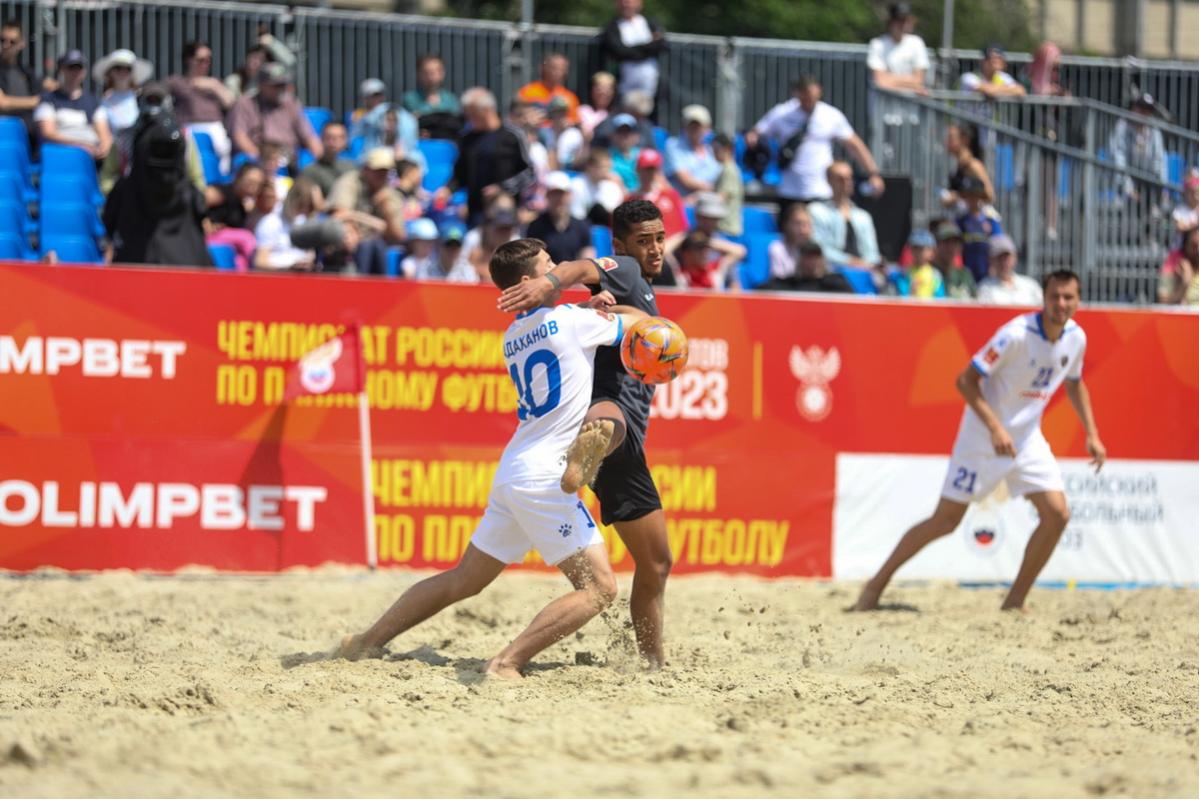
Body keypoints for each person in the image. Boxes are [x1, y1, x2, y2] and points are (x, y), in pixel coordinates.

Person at [334, 238, 645, 678]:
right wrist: (609, 308)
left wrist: (588, 308)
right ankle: (505, 663)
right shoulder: (573, 321)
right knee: (600, 588)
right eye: (549, 264)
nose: (558, 267)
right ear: (529, 281)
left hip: (515, 468)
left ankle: (366, 641)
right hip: (547, 475)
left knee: (464, 579)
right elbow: (641, 323)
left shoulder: (514, 335)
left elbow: (562, 325)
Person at [854, 269, 1106, 612]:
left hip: (1026, 440)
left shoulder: (1076, 338)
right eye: (1054, 296)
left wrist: (1092, 434)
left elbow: (1074, 384)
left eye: (1068, 297)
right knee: (945, 521)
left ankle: (1014, 602)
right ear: (1043, 299)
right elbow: (965, 381)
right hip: (982, 439)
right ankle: (874, 587)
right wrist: (995, 428)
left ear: (1078, 301)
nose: (1060, 303)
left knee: (1057, 514)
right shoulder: (1015, 335)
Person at [497, 200, 677, 667]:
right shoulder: (629, 271)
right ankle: (652, 663)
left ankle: (593, 447)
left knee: (656, 562)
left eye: (660, 238)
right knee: (610, 414)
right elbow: (581, 267)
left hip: (615, 438)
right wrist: (551, 282)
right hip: (611, 416)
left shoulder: (628, 289)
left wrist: (579, 301)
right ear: (620, 245)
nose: (655, 248)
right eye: (643, 240)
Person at [746, 75, 884, 210]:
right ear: (797, 94)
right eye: (805, 98)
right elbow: (756, 133)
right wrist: (754, 142)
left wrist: (873, 174)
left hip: (821, 190)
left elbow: (854, 145)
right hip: (789, 189)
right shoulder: (782, 112)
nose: (809, 102)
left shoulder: (830, 115)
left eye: (812, 98)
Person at [103, 104, 210, 267]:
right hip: (178, 271)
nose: (162, 149)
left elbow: (108, 223)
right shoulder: (190, 194)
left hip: (142, 271)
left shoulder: (124, 190)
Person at [439, 87, 534, 228]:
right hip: (476, 212)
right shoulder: (467, 139)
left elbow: (528, 173)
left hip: (506, 211)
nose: (469, 119)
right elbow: (460, 174)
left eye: (472, 114)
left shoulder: (512, 135)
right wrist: (448, 189)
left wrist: (502, 188)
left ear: (487, 110)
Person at [327, 147, 407, 275]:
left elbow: (399, 236)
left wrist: (388, 212)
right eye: (377, 170)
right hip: (350, 244)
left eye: (385, 171)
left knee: (373, 246)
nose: (381, 175)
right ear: (366, 168)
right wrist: (376, 224)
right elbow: (339, 215)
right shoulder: (350, 182)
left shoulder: (391, 196)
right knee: (355, 240)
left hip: (378, 247)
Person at [227, 63, 321, 164]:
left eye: (283, 85)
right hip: (257, 159)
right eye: (276, 86)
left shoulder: (291, 104)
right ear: (261, 85)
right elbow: (239, 138)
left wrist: (320, 161)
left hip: (289, 159)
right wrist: (265, 160)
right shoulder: (244, 104)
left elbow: (309, 137)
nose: (281, 89)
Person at [168, 41, 235, 172]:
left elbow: (231, 103)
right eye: (201, 60)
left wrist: (215, 87)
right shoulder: (177, 82)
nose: (205, 64)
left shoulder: (214, 82)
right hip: (189, 126)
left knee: (224, 149)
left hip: (215, 126)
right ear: (189, 60)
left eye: (208, 60)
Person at [35, 50, 112, 160]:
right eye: (71, 67)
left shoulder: (93, 101)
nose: (75, 72)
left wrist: (104, 147)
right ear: (61, 70)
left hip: (91, 158)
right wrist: (82, 146)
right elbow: (48, 133)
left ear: (84, 71)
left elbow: (104, 134)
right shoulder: (48, 99)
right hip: (61, 156)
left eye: (79, 67)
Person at [808, 161, 881, 270]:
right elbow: (819, 247)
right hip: (832, 270)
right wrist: (849, 261)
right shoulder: (816, 211)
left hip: (864, 271)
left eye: (849, 178)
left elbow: (872, 252)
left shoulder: (863, 216)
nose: (846, 182)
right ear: (829, 180)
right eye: (840, 179)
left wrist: (868, 264)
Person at [601, 0, 667, 102]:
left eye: (629, 2)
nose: (625, 5)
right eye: (622, 2)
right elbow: (619, 51)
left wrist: (632, 49)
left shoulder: (650, 23)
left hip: (651, 81)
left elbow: (661, 44)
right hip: (625, 83)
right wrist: (648, 47)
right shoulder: (612, 26)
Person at [204, 161, 263, 272]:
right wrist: (204, 221)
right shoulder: (221, 193)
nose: (253, 188)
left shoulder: (244, 206)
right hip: (210, 237)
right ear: (239, 178)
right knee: (247, 238)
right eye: (250, 182)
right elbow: (194, 203)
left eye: (257, 185)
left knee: (241, 260)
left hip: (229, 245)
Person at [526, 171, 594, 264]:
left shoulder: (582, 225)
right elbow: (535, 261)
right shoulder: (535, 227)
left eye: (562, 194)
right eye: (554, 194)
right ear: (547, 195)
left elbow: (587, 258)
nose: (559, 199)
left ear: (570, 195)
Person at [253, 177, 319, 271]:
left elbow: (310, 254)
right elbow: (260, 262)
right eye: (300, 206)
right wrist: (288, 268)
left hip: (303, 275)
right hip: (277, 276)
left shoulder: (304, 222)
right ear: (291, 200)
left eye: (307, 207)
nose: (303, 211)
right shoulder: (270, 223)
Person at [352, 78, 420, 166]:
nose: (377, 98)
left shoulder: (398, 114)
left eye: (379, 95)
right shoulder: (359, 116)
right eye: (373, 96)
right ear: (365, 98)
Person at [867, 3, 929, 94]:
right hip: (884, 101)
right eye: (899, 20)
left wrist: (890, 80)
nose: (902, 24)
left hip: (909, 102)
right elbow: (880, 81)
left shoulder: (917, 43)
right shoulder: (877, 44)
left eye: (905, 20)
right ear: (890, 22)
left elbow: (919, 80)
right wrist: (910, 83)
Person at [94, 49, 154, 141]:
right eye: (118, 68)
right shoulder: (104, 101)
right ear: (109, 72)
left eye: (128, 69)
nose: (123, 72)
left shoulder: (142, 97)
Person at [664, 105, 721, 196]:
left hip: (711, 199)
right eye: (691, 125)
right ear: (684, 126)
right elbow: (686, 181)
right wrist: (716, 189)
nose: (695, 129)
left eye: (699, 126)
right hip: (684, 201)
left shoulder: (712, 148)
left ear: (707, 127)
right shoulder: (673, 145)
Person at [402, 54, 462, 140]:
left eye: (435, 72)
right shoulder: (410, 99)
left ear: (442, 73)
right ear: (419, 74)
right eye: (427, 72)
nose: (431, 77)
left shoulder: (451, 99)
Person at [955, 174, 1003, 283]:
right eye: (969, 195)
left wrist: (994, 267)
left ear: (982, 197)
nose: (973, 199)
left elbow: (998, 245)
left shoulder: (990, 220)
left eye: (976, 195)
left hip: (987, 271)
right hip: (965, 272)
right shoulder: (960, 221)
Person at [456, 207, 522, 284]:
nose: (504, 233)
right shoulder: (476, 247)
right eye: (500, 229)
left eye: (507, 229)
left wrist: (483, 271)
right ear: (490, 228)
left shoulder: (517, 248)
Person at [224, 31, 296, 101]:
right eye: (253, 57)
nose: (255, 62)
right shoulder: (234, 80)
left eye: (260, 60)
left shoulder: (267, 82)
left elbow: (290, 62)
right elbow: (232, 103)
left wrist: (271, 43)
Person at [630, 148, 686, 237]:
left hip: (672, 242)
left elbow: (683, 229)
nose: (650, 174)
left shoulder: (670, 195)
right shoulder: (630, 200)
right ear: (638, 170)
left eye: (653, 169)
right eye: (646, 169)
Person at [760, 241, 853, 293]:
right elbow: (761, 291)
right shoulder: (791, 283)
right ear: (799, 261)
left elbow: (852, 301)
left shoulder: (836, 282)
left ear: (822, 260)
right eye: (808, 257)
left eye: (816, 257)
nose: (812, 262)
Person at [0, 19, 41, 136]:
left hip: (29, 133)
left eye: (12, 42)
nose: (6, 45)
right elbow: (2, 102)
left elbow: (46, 84)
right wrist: (37, 101)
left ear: (22, 44)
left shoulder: (26, 71)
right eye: (2, 40)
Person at [666, 228, 744, 290]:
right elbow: (664, 251)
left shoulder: (715, 271)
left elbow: (739, 251)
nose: (704, 253)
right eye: (699, 249)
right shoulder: (679, 272)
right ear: (686, 253)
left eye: (706, 248)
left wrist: (708, 240)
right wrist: (685, 236)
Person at [942, 122, 995, 211]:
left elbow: (990, 195)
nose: (946, 142)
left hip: (978, 218)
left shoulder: (973, 166)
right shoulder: (959, 166)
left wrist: (958, 196)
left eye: (950, 138)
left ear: (964, 140)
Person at [977, 235, 1042, 306]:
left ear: (1015, 258)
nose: (1004, 262)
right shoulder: (984, 288)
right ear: (991, 260)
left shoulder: (1031, 285)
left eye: (1007, 257)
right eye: (999, 258)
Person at [517, 53, 580, 125]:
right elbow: (517, 116)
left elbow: (575, 120)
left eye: (562, 69)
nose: (558, 72)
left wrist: (568, 122)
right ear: (544, 68)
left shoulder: (570, 97)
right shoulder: (528, 92)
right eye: (554, 68)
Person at [570, 148, 625, 224]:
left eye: (608, 167)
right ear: (590, 167)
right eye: (602, 167)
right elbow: (577, 217)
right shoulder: (576, 185)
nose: (606, 171)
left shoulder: (612, 187)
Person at [300, 121, 354, 198]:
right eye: (330, 137)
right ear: (322, 139)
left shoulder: (351, 168)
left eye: (341, 137)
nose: (336, 141)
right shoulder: (310, 171)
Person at [591, 89, 656, 152]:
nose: (639, 119)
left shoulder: (645, 126)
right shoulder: (606, 126)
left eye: (642, 116)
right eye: (636, 114)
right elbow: (596, 150)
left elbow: (652, 150)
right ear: (626, 109)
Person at [888, 229, 943, 297]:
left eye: (922, 248)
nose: (918, 252)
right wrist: (911, 292)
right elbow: (902, 295)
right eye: (915, 248)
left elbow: (940, 297)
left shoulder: (935, 274)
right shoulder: (905, 273)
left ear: (932, 251)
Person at [931, 221, 978, 299]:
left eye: (955, 243)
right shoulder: (927, 272)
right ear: (936, 245)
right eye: (946, 242)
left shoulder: (965, 275)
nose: (950, 248)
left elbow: (975, 301)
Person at [960, 44, 1026, 98]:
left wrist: (995, 89)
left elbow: (1021, 91)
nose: (995, 61)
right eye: (991, 58)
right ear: (983, 62)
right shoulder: (969, 77)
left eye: (999, 58)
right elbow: (989, 91)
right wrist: (1007, 89)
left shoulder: (1002, 76)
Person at [768, 203, 813, 280]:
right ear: (786, 225)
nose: (803, 230)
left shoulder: (815, 248)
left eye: (806, 224)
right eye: (798, 224)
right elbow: (778, 280)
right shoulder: (777, 248)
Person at [711, 133, 744, 238]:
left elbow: (721, 197)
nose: (714, 152)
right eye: (713, 149)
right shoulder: (726, 169)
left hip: (727, 229)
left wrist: (697, 198)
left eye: (717, 149)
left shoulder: (729, 170)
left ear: (728, 149)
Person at [1158, 225, 1199, 306]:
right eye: (1194, 246)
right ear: (1185, 246)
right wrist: (1184, 284)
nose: (1198, 250)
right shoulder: (1172, 265)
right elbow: (1163, 304)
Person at [544, 95, 584, 171]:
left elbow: (580, 161)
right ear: (551, 114)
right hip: (550, 173)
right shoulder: (544, 133)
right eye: (557, 112)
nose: (561, 115)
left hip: (572, 172)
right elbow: (552, 166)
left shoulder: (574, 133)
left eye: (563, 112)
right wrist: (558, 134)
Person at [578, 71, 616, 140]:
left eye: (607, 89)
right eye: (599, 88)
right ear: (591, 91)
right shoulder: (581, 110)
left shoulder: (616, 116)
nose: (603, 92)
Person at [608, 113, 642, 191]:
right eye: (620, 131)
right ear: (613, 135)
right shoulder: (606, 157)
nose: (624, 135)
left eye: (628, 131)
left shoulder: (643, 155)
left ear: (635, 135)